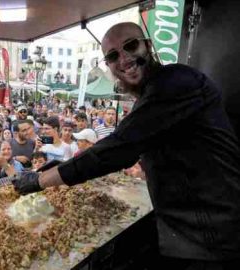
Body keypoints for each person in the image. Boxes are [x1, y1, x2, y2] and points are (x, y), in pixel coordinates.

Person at [13, 22, 240, 269]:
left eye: (131, 46)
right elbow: (141, 145)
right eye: (113, 56)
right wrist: (69, 165)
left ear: (149, 46)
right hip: (193, 234)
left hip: (213, 238)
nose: (124, 59)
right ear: (109, 66)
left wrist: (40, 181)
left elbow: (120, 147)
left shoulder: (175, 82)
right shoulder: (153, 94)